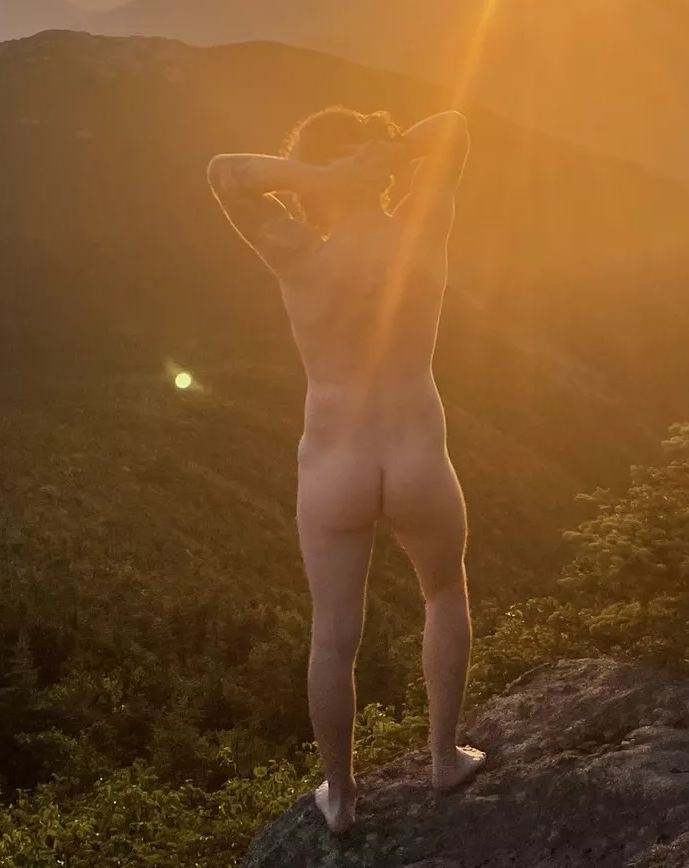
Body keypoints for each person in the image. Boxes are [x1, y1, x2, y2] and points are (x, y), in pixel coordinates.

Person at [206, 106, 486, 834]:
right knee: (444, 593)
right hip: (419, 454)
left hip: (334, 464)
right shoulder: (423, 229)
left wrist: (320, 177)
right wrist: (385, 156)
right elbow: (452, 128)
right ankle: (445, 757)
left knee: (333, 636)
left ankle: (342, 796)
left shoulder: (294, 249)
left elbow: (224, 175)